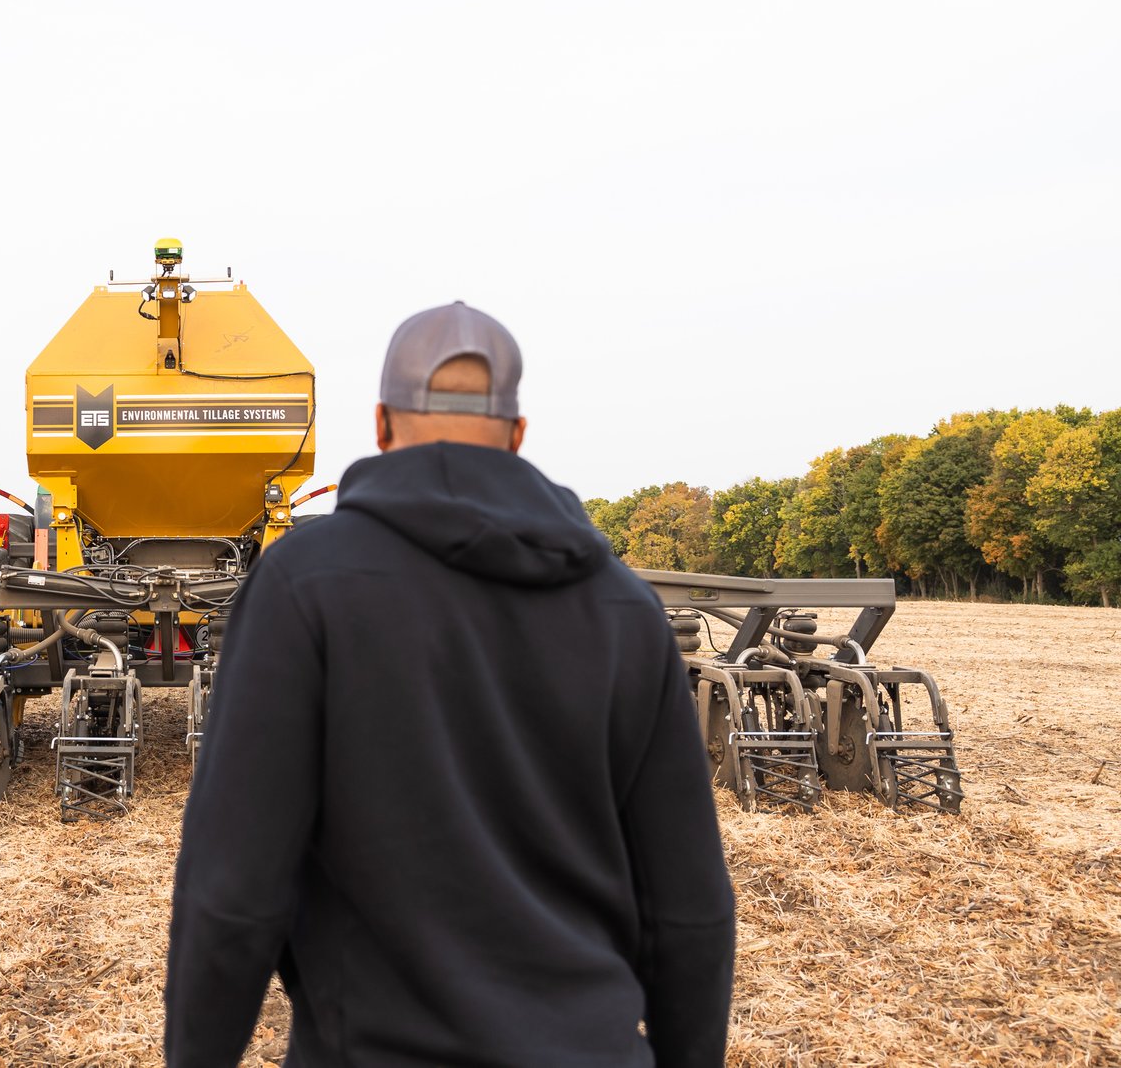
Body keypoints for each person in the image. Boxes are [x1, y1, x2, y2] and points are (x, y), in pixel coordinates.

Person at [165, 301, 736, 1067]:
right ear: (517, 435)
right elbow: (690, 910)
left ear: (381, 425)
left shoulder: (308, 588)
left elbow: (232, 896)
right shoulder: (625, 608)